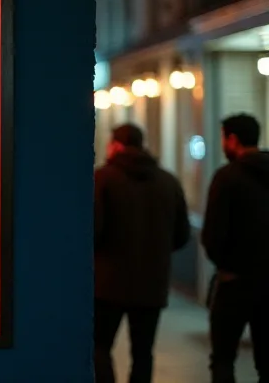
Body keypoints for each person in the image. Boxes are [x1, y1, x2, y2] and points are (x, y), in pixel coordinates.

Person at [93, 124, 190, 383]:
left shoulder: (102, 179)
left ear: (115, 145)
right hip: (152, 284)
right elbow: (182, 236)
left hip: (106, 285)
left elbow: (93, 231)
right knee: (143, 353)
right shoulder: (168, 182)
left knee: (99, 348)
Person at [202, 113, 269, 383]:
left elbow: (213, 235)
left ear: (232, 139)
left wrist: (226, 264)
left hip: (234, 283)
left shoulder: (227, 177)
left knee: (223, 359)